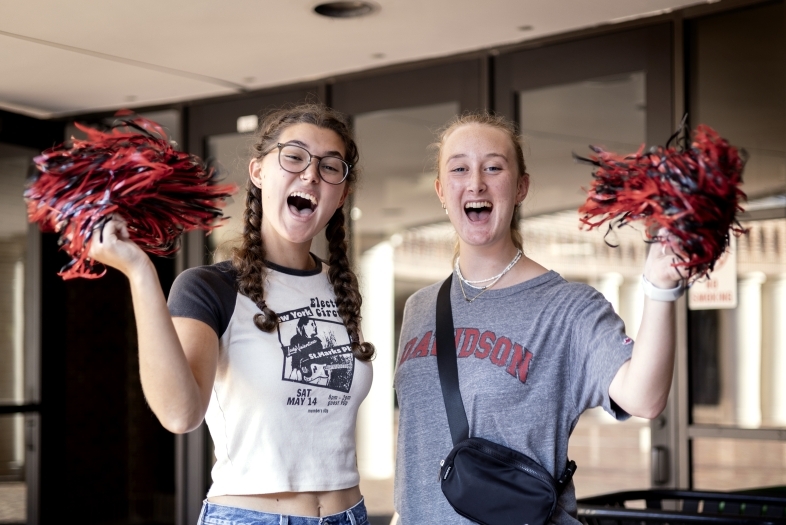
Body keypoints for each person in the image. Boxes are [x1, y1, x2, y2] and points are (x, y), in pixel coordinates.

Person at [88, 104, 375, 525]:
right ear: (259, 172)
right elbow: (179, 414)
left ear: (341, 195)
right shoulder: (210, 287)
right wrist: (140, 272)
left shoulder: (341, 287)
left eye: (330, 167)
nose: (311, 175)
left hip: (349, 515)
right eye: (294, 158)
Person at [393, 112, 685, 524]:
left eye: (493, 167)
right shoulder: (421, 307)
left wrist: (659, 287)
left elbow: (644, 397)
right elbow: (418, 447)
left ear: (521, 187)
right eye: (459, 168)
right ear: (442, 191)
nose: (476, 181)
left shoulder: (568, 307)